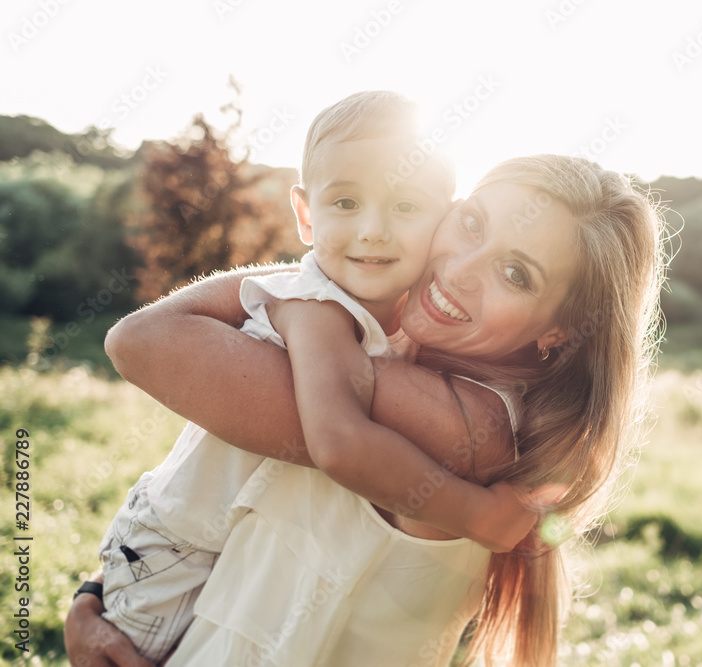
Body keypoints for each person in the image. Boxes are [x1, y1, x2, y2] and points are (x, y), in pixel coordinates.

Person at [66, 153, 665, 666]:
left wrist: (310, 296)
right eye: (472, 223)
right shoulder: (385, 356)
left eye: (515, 273)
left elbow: (141, 341)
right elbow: (211, 500)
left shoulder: (469, 430)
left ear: (560, 332)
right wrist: (99, 600)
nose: (459, 270)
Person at [85, 90, 537, 665]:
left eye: (405, 207)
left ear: (443, 219)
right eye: (345, 202)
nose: (373, 230)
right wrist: (474, 515)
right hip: (172, 549)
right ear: (305, 215)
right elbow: (341, 443)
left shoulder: (391, 326)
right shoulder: (316, 308)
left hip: (219, 549)